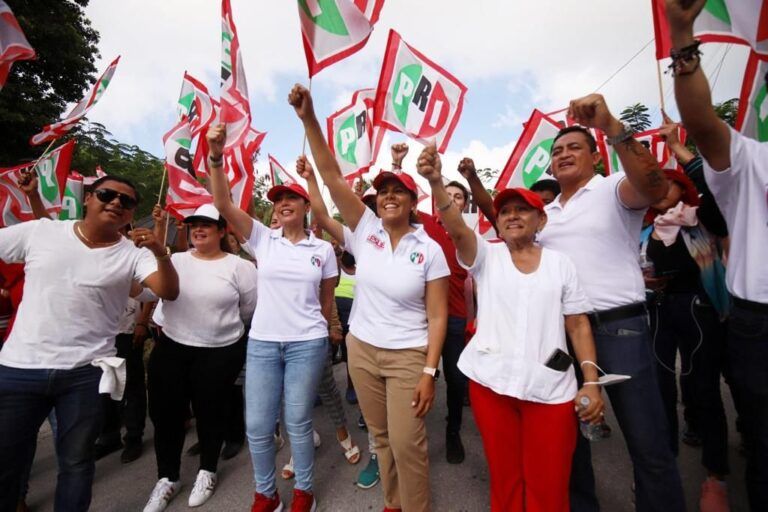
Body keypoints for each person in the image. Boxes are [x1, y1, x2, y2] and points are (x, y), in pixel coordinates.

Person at [464, 94, 685, 512]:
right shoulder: (544, 215)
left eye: (574, 147)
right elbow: (501, 223)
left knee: (646, 441)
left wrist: (610, 125)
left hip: (620, 330)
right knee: (571, 450)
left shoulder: (614, 190)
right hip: (564, 336)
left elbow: (655, 186)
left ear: (595, 157)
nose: (563, 154)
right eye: (556, 150)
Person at [289, 83, 449, 512]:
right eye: (384, 190)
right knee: (380, 438)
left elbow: (437, 317)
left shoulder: (428, 248)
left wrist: (429, 372)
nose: (390, 195)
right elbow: (332, 175)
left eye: (399, 190)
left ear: (413, 201)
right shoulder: (365, 230)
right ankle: (392, 503)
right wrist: (309, 118)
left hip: (408, 356)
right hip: (361, 350)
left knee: (406, 442)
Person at [417, 144, 604, 511]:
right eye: (505, 211)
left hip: (550, 391)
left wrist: (593, 383)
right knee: (505, 479)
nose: (512, 216)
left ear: (541, 220)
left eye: (523, 210)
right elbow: (457, 231)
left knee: (549, 484)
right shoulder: (487, 255)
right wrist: (437, 183)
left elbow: (578, 325)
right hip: (492, 386)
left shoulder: (561, 264)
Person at [0, 175, 179, 512]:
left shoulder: (133, 254)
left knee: (76, 464)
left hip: (85, 374)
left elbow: (167, 291)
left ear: (131, 214)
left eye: (126, 201)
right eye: (107, 194)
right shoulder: (42, 231)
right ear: (88, 199)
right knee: (6, 458)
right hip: (20, 369)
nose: (116, 203)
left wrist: (160, 251)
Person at [665, 2, 768, 509]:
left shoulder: (701, 211)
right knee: (704, 388)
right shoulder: (751, 160)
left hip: (722, 311)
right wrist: (682, 35)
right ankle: (717, 471)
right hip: (740, 318)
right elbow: (703, 126)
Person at [207, 125, 338, 512]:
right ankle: (265, 494)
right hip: (263, 343)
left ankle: (304, 492)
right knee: (258, 426)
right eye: (278, 201)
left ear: (305, 207)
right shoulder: (263, 238)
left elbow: (326, 298)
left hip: (307, 343)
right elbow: (223, 204)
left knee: (298, 421)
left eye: (290, 199)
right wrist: (217, 156)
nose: (282, 204)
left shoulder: (323, 250)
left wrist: (329, 328)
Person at [142, 204, 257, 512]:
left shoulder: (241, 267)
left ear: (222, 230)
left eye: (207, 224)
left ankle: (208, 470)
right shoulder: (173, 260)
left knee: (211, 413)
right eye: (193, 224)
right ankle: (167, 478)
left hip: (221, 350)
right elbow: (152, 292)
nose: (198, 229)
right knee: (166, 415)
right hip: (173, 347)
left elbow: (248, 309)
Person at [641, 162, 730, 510]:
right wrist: (645, 280)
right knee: (660, 385)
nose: (661, 190)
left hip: (700, 309)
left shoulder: (702, 218)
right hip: (660, 309)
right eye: (655, 186)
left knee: (703, 387)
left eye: (668, 184)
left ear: (682, 187)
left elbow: (710, 182)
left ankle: (716, 476)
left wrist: (680, 149)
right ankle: (665, 469)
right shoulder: (648, 231)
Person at [391, 142, 471, 464]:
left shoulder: (469, 236)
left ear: (464, 205)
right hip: (421, 321)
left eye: (458, 197)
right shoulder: (425, 226)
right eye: (446, 195)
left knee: (454, 379)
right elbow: (396, 201)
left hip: (454, 321)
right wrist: (397, 166)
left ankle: (453, 432)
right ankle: (407, 433)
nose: (451, 200)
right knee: (415, 380)